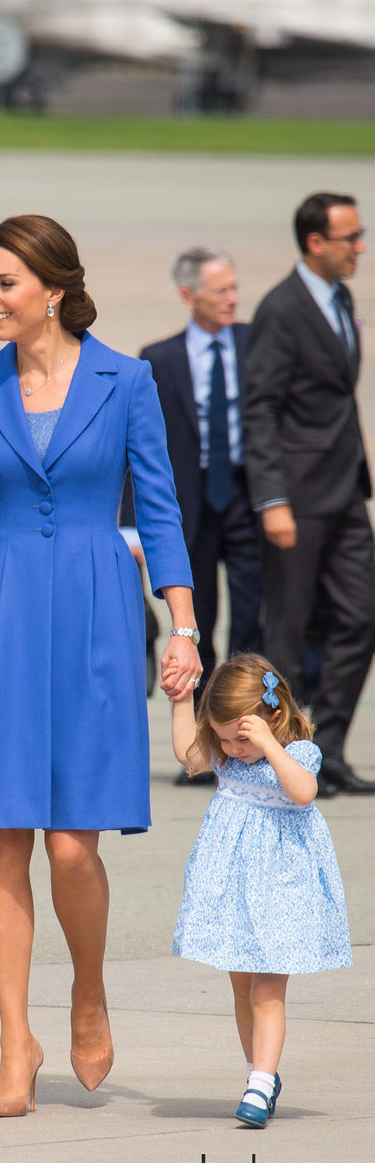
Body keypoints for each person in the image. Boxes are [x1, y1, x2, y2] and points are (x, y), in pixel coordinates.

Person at [0, 214, 199, 1117]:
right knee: (3, 838)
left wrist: (185, 626)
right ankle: (14, 1045)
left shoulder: (127, 380)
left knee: (73, 844)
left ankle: (88, 988)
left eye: (6, 283)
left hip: (94, 614)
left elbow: (158, 510)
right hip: (1, 614)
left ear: (52, 288)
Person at [171, 654, 351, 1127]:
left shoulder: (297, 753)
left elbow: (303, 792)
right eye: (224, 738)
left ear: (273, 716)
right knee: (241, 984)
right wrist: (181, 700)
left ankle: (260, 1081)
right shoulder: (227, 756)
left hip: (282, 887)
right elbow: (187, 755)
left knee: (268, 989)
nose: (232, 748)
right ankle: (260, 1072)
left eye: (240, 737)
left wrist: (268, 743)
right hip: (234, 885)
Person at [243, 191, 375, 799]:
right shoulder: (282, 308)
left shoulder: (340, 298)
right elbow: (261, 408)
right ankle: (282, 755)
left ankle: (329, 749)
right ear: (315, 243)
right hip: (296, 497)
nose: (360, 248)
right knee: (288, 633)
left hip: (346, 491)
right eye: (350, 237)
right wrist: (272, 500)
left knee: (361, 615)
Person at [122, 248, 261, 789]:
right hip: (189, 507)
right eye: (220, 291)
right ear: (189, 296)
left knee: (253, 617)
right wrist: (132, 523)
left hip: (248, 500)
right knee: (195, 621)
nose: (232, 299)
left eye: (233, 289)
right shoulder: (158, 358)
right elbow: (139, 452)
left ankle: (251, 737)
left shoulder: (256, 344)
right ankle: (205, 745)